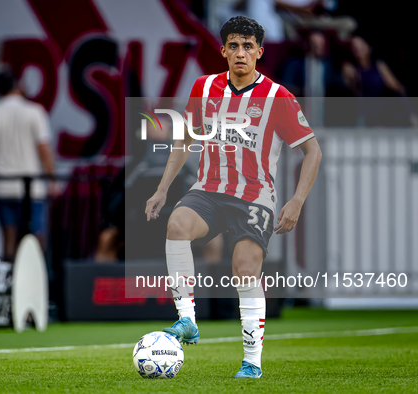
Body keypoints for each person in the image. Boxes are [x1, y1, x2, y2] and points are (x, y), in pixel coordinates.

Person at [145, 16, 322, 378]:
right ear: (223, 50)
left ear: (259, 51)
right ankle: (187, 320)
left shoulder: (277, 97)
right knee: (177, 224)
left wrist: (297, 201)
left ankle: (252, 362)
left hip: (255, 198)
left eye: (248, 46)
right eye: (234, 45)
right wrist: (162, 188)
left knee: (244, 269)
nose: (241, 52)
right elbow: (185, 141)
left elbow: (313, 151)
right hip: (209, 190)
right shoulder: (203, 86)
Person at [0, 68, 57, 262]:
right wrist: (52, 179)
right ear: (18, 85)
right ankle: (36, 280)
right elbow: (44, 149)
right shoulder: (35, 112)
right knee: (35, 238)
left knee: (8, 238)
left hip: (1, 185)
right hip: (31, 187)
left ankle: (9, 285)